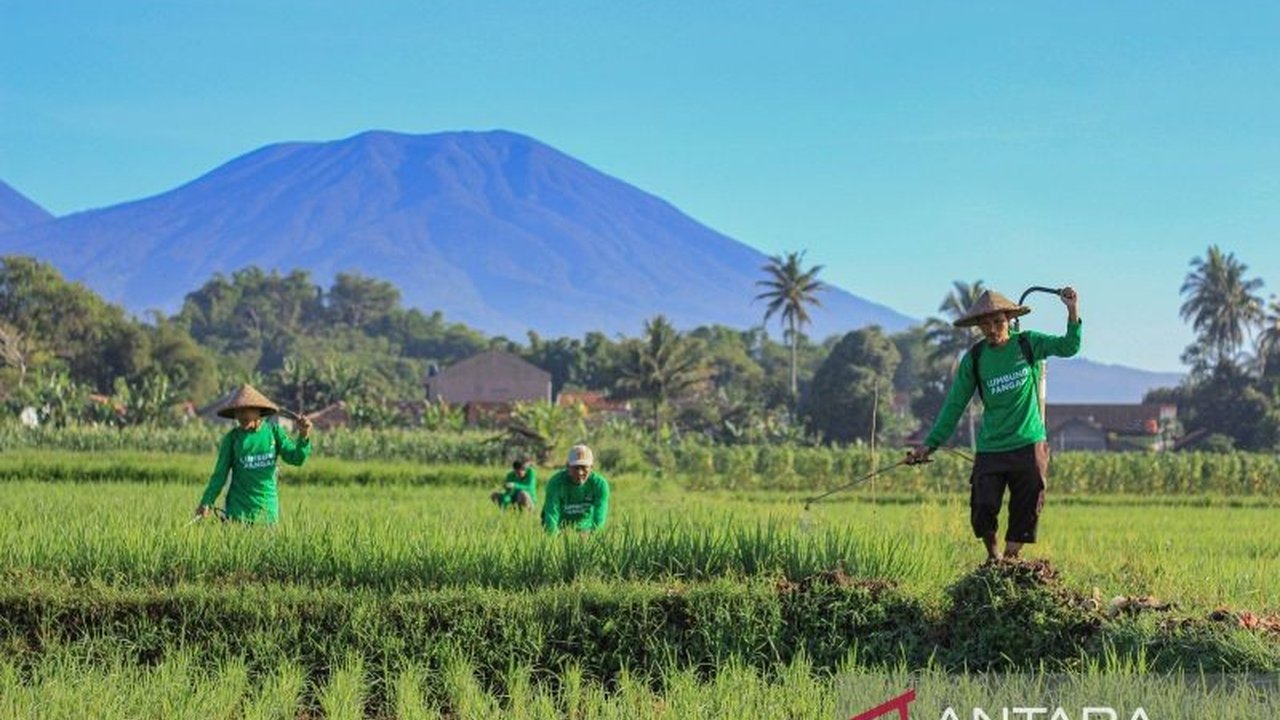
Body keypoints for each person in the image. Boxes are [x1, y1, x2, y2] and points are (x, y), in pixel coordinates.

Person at [907, 287, 1081, 561]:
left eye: (997, 322)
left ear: (1009, 320)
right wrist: (929, 445)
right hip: (992, 446)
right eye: (984, 324)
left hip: (1029, 441)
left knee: (1027, 504)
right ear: (978, 327)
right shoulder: (975, 359)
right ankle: (993, 556)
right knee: (983, 504)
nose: (991, 329)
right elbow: (954, 405)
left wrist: (1072, 310)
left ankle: (1012, 560)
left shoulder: (1028, 344)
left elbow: (1069, 347)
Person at [195, 384, 313, 524]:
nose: (241, 416)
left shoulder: (274, 433)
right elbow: (219, 476)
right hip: (237, 514)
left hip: (267, 514)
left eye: (247, 410)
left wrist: (304, 435)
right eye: (238, 411)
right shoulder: (232, 439)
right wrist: (206, 502)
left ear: (259, 411)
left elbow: (296, 458)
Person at [540, 444, 610, 535]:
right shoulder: (555, 483)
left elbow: (599, 518)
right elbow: (551, 514)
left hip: (585, 530)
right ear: (568, 466)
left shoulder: (599, 485)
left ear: (591, 467)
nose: (580, 472)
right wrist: (555, 540)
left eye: (584, 467)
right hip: (560, 528)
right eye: (576, 468)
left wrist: (594, 538)